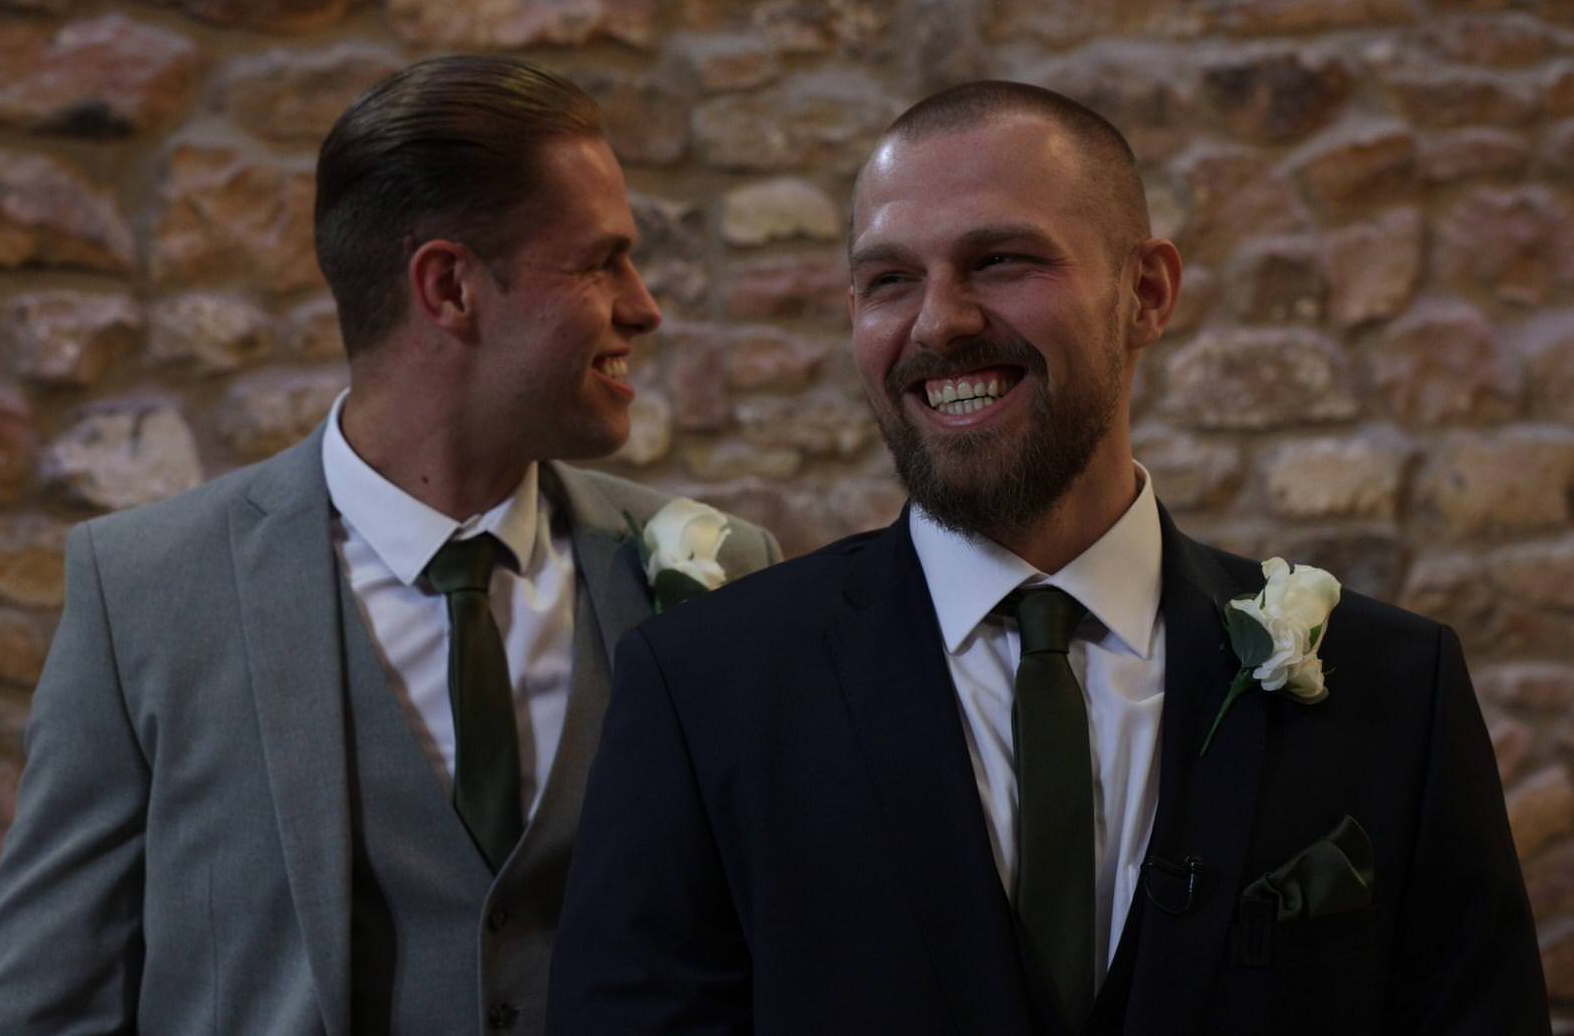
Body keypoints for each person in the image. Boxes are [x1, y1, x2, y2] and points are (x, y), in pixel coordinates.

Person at [548, 80, 1546, 1035]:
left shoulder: (1392, 692)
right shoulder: (706, 690)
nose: (939, 321)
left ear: (1146, 293)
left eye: (1000, 262)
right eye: (889, 279)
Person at [0, 55, 779, 1036]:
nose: (643, 304)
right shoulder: (142, 595)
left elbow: (783, 964)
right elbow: (45, 1010)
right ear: (449, 288)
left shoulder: (717, 573)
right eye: (598, 259)